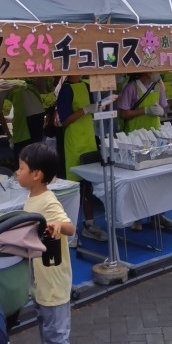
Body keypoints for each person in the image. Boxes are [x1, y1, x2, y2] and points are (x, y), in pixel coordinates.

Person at [18, 142, 80, 344]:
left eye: (21, 168)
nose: (16, 172)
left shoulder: (47, 200)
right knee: (47, 331)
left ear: (37, 174)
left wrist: (57, 225)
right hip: (41, 281)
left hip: (53, 282)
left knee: (55, 336)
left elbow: (70, 227)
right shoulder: (34, 197)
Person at [116, 71, 172, 230]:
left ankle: (158, 214)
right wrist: (145, 110)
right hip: (135, 137)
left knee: (157, 177)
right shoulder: (131, 88)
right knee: (137, 180)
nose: (158, 73)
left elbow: (164, 107)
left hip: (155, 136)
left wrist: (162, 111)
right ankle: (136, 218)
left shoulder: (158, 86)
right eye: (155, 70)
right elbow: (124, 113)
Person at [56, 76, 107, 241]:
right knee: (75, 186)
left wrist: (97, 108)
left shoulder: (86, 85)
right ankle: (69, 229)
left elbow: (93, 110)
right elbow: (64, 120)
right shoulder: (65, 90)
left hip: (89, 138)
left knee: (88, 184)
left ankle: (89, 223)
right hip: (74, 141)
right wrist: (84, 110)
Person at [0, 78, 46, 163]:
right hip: (38, 110)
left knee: (21, 149)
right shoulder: (11, 80)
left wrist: (10, 138)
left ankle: (22, 168)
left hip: (28, 113)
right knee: (35, 148)